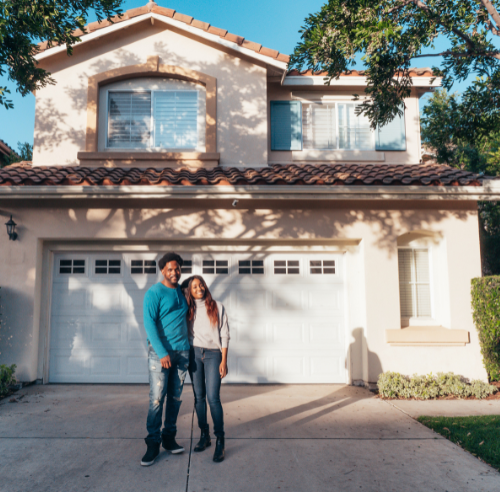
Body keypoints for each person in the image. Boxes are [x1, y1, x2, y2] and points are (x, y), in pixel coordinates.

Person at [141, 252, 190, 467]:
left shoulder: (182, 291)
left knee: (175, 399)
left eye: (177, 268)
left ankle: (169, 438)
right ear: (162, 270)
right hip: (161, 354)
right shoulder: (154, 292)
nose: (174, 272)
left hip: (182, 353)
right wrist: (162, 353)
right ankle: (153, 442)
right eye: (170, 269)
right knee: (157, 399)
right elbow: (149, 324)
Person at [182, 275, 229, 463]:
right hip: (194, 354)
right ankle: (204, 435)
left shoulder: (217, 306)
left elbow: (225, 334)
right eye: (194, 286)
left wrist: (224, 360)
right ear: (189, 291)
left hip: (213, 355)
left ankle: (220, 440)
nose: (199, 288)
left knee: (213, 398)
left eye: (200, 284)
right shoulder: (188, 309)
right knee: (199, 398)